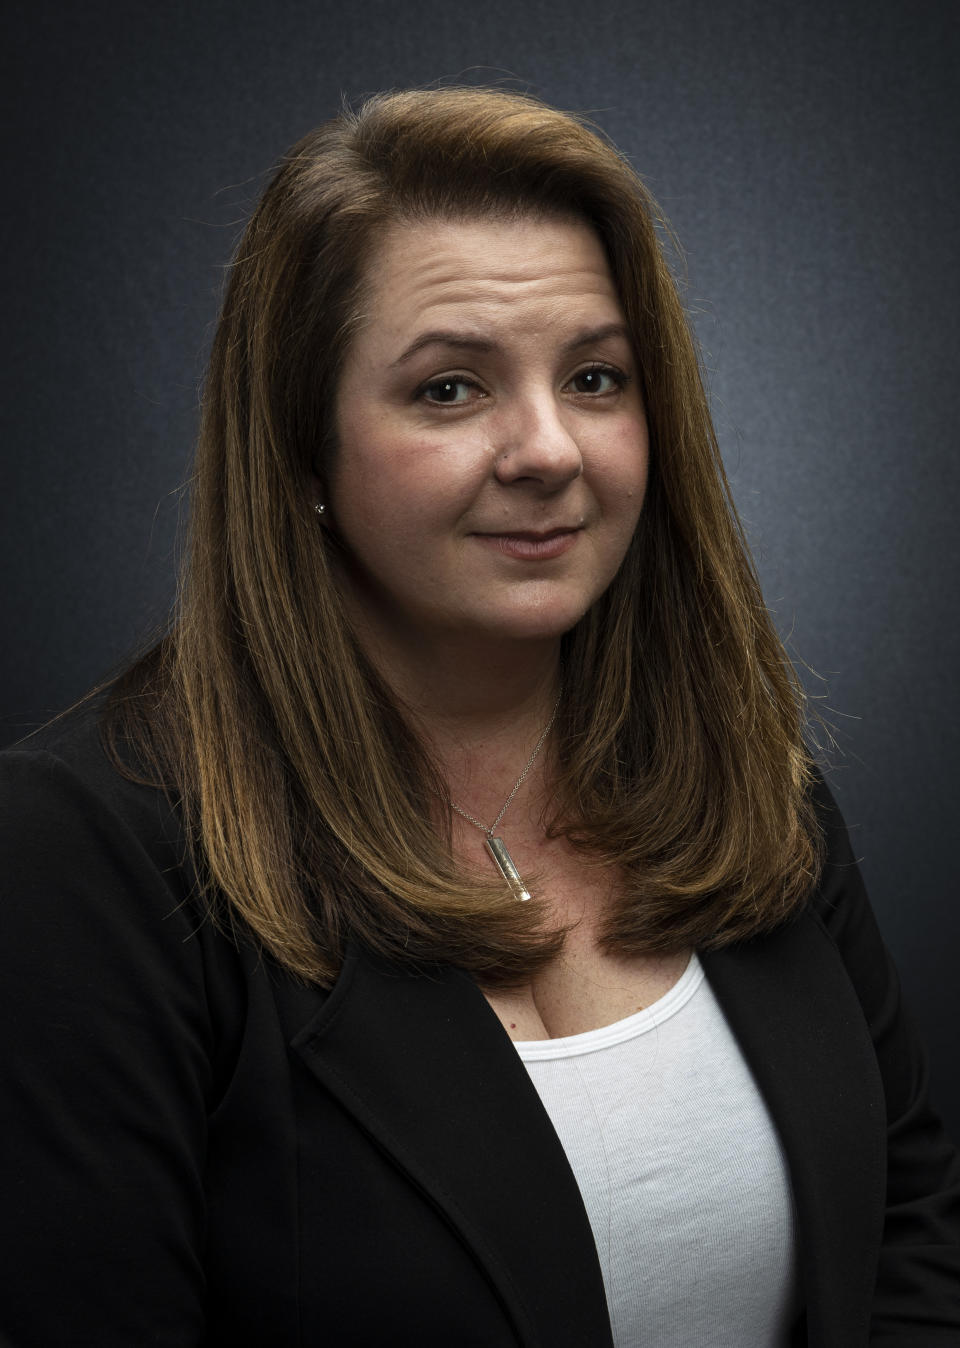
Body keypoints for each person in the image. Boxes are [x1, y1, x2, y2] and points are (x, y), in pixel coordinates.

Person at [1, 86, 957, 1348]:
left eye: (598, 378)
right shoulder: (85, 848)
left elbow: (915, 1228)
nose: (550, 447)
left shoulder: (741, 775)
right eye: (451, 389)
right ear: (302, 449)